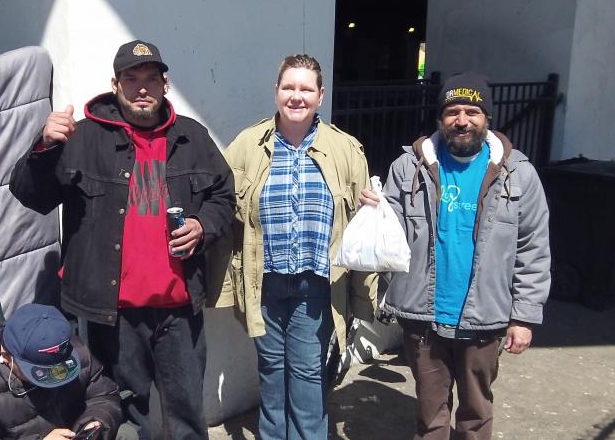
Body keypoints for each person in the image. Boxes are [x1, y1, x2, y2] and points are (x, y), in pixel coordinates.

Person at [9, 40, 235, 439]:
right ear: (115, 84)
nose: (142, 88)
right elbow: (32, 196)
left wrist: (203, 226)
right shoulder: (83, 138)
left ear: (166, 84)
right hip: (115, 315)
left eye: (151, 78)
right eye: (131, 79)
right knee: (126, 416)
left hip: (179, 311)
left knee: (186, 415)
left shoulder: (192, 138)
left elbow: (223, 195)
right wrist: (42, 147)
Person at [360, 72, 551, 440]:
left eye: (472, 112)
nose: (462, 120)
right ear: (440, 118)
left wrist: (524, 317)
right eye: (453, 112)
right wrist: (375, 210)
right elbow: (392, 238)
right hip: (423, 317)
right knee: (430, 415)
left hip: (485, 318)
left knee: (476, 416)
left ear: (486, 119)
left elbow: (534, 249)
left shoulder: (520, 175)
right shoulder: (409, 168)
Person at [220, 54, 377, 440]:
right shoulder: (245, 145)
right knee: (271, 369)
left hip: (316, 282)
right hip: (264, 280)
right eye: (289, 87)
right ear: (275, 92)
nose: (296, 96)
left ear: (320, 96)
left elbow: (361, 223)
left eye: (306, 89)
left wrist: (372, 205)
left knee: (307, 372)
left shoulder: (345, 149)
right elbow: (220, 204)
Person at [0, 303, 121, 439]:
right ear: (6, 354)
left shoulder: (69, 349)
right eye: (39, 372)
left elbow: (104, 395)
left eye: (57, 368)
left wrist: (95, 423)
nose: (53, 376)